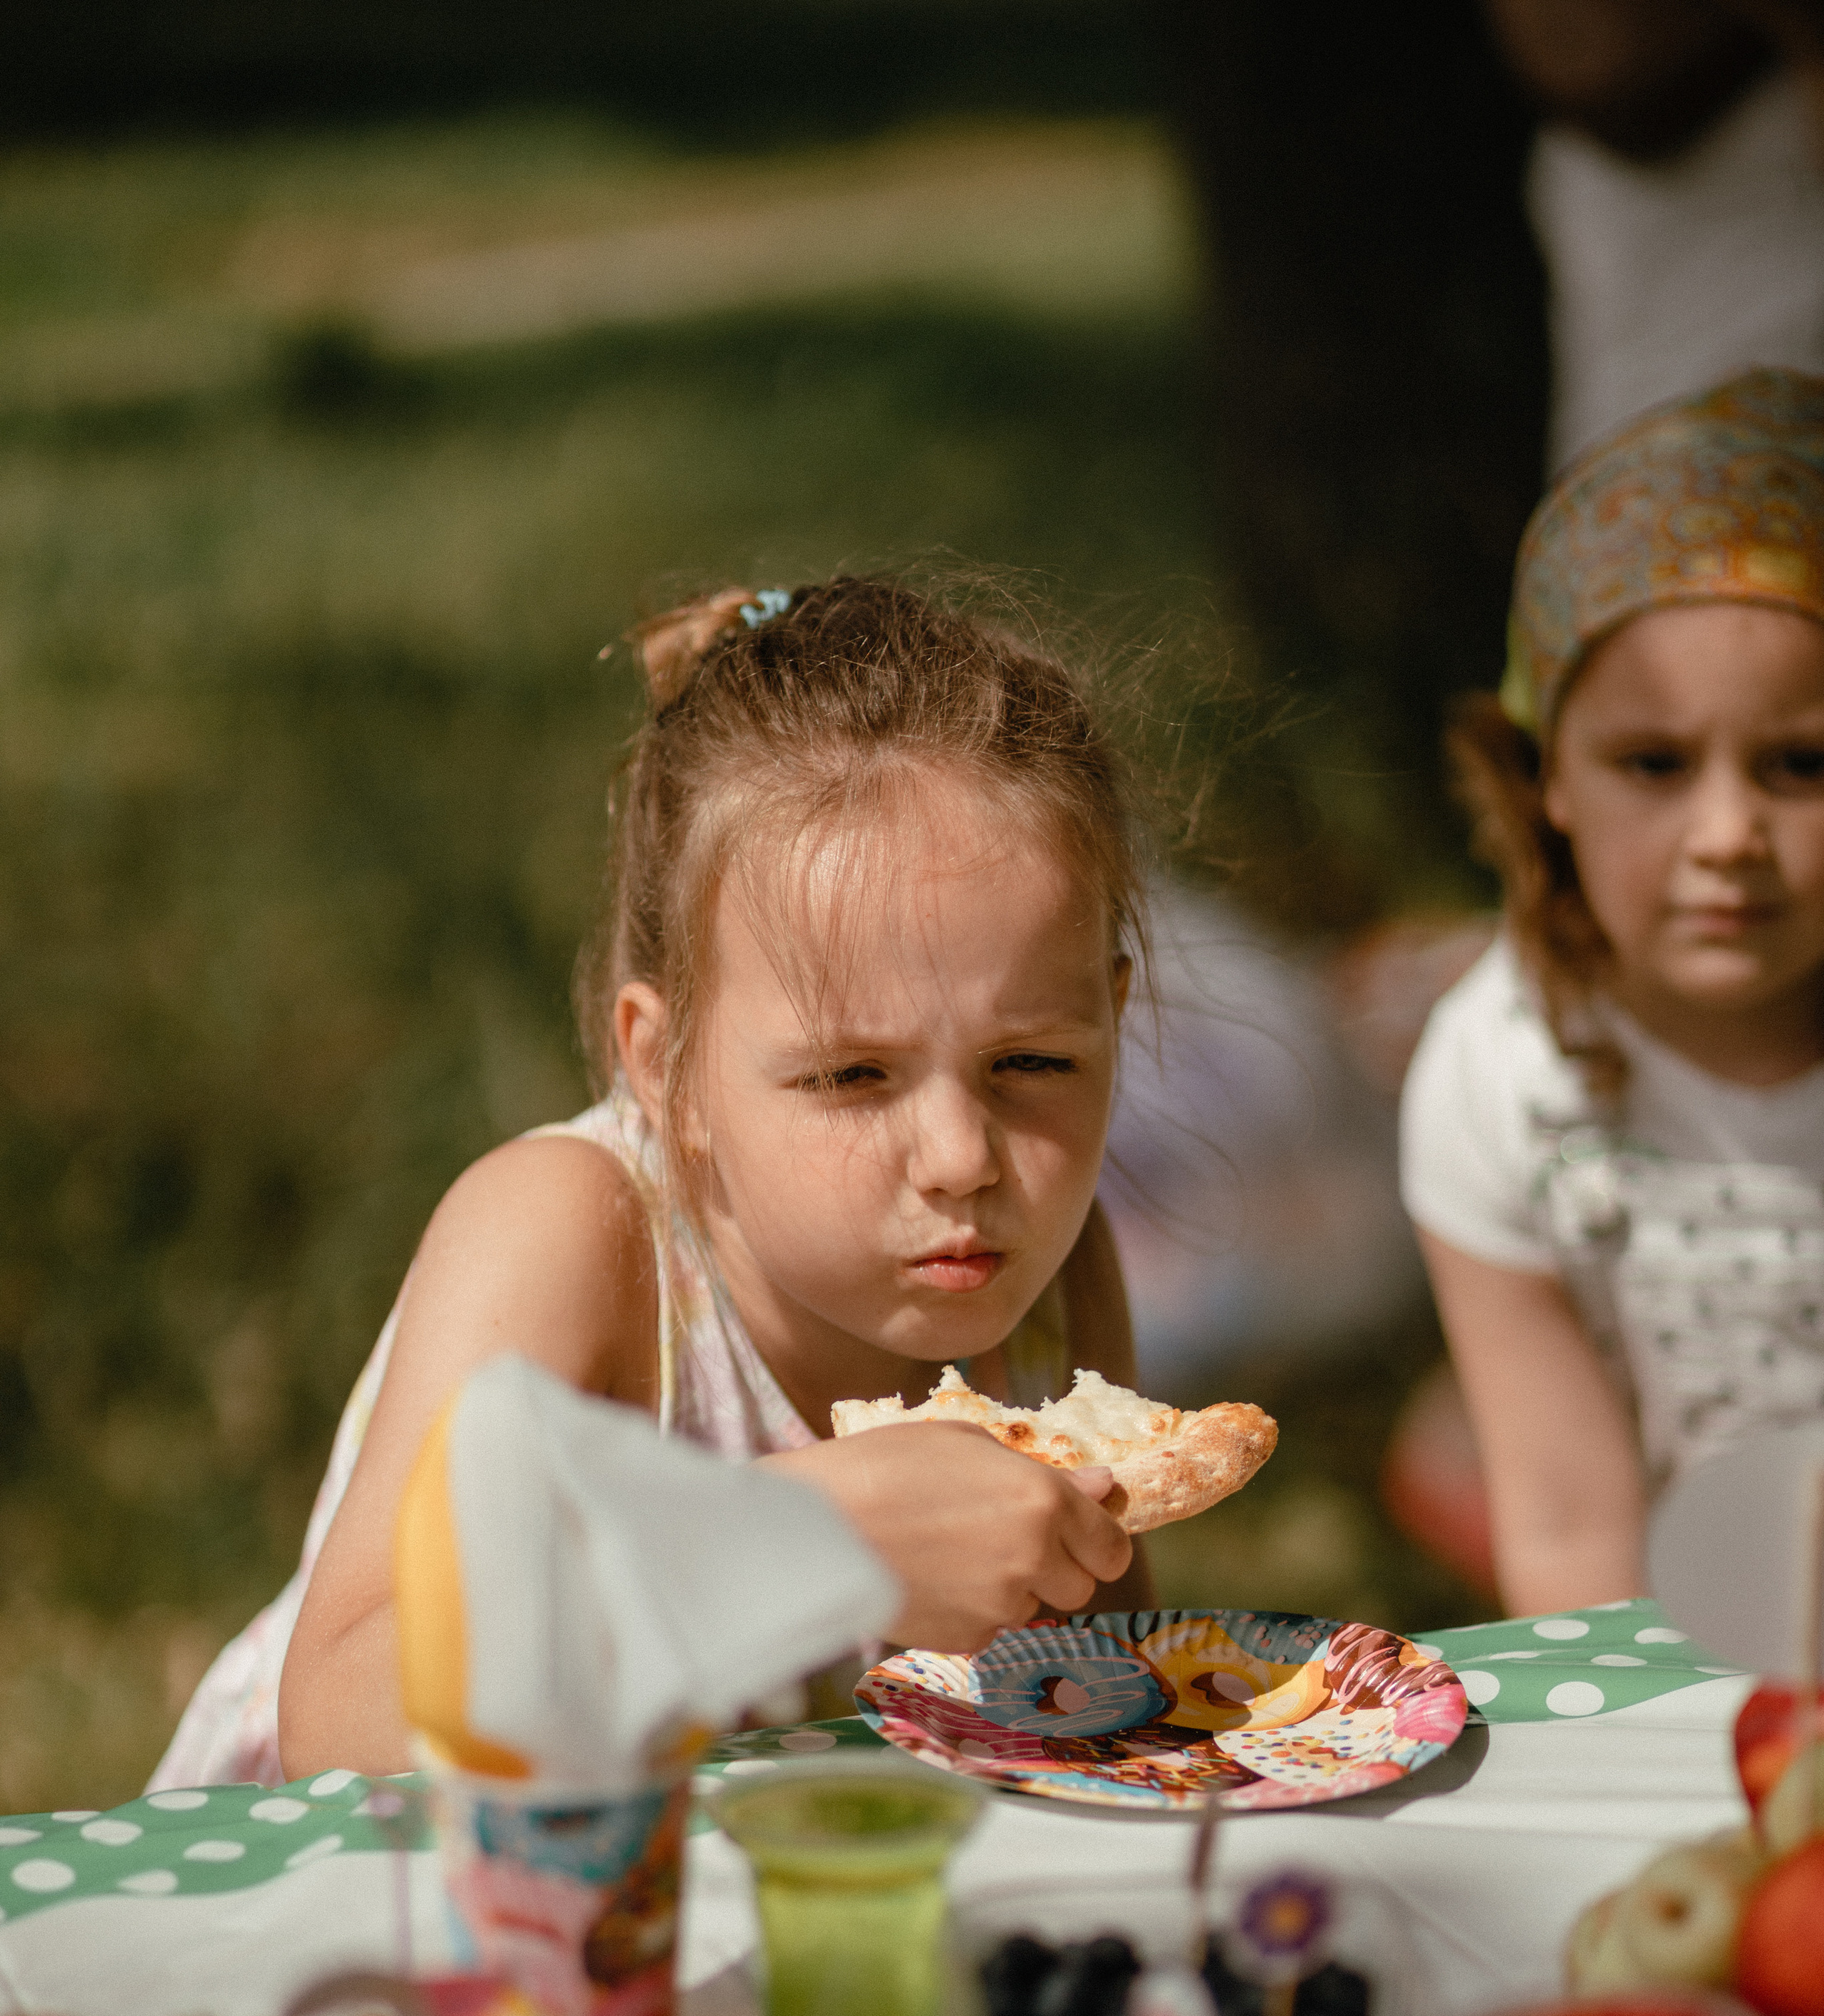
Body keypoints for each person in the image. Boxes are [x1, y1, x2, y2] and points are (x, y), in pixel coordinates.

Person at [152, 577, 1155, 1788]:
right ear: (668, 1072)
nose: (963, 1157)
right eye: (851, 1077)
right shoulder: (573, 1241)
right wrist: (795, 1538)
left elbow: (1109, 1700)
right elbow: (344, 1716)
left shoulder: (1052, 1287)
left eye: (1033, 1062)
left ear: (1111, 1013)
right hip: (367, 1917)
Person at [1401, 368, 1824, 1613]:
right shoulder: (1501, 1071)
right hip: (1698, 1654)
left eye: (1801, 762)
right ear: (1547, 778)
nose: (1728, 833)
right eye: (1656, 762)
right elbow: (1568, 1515)